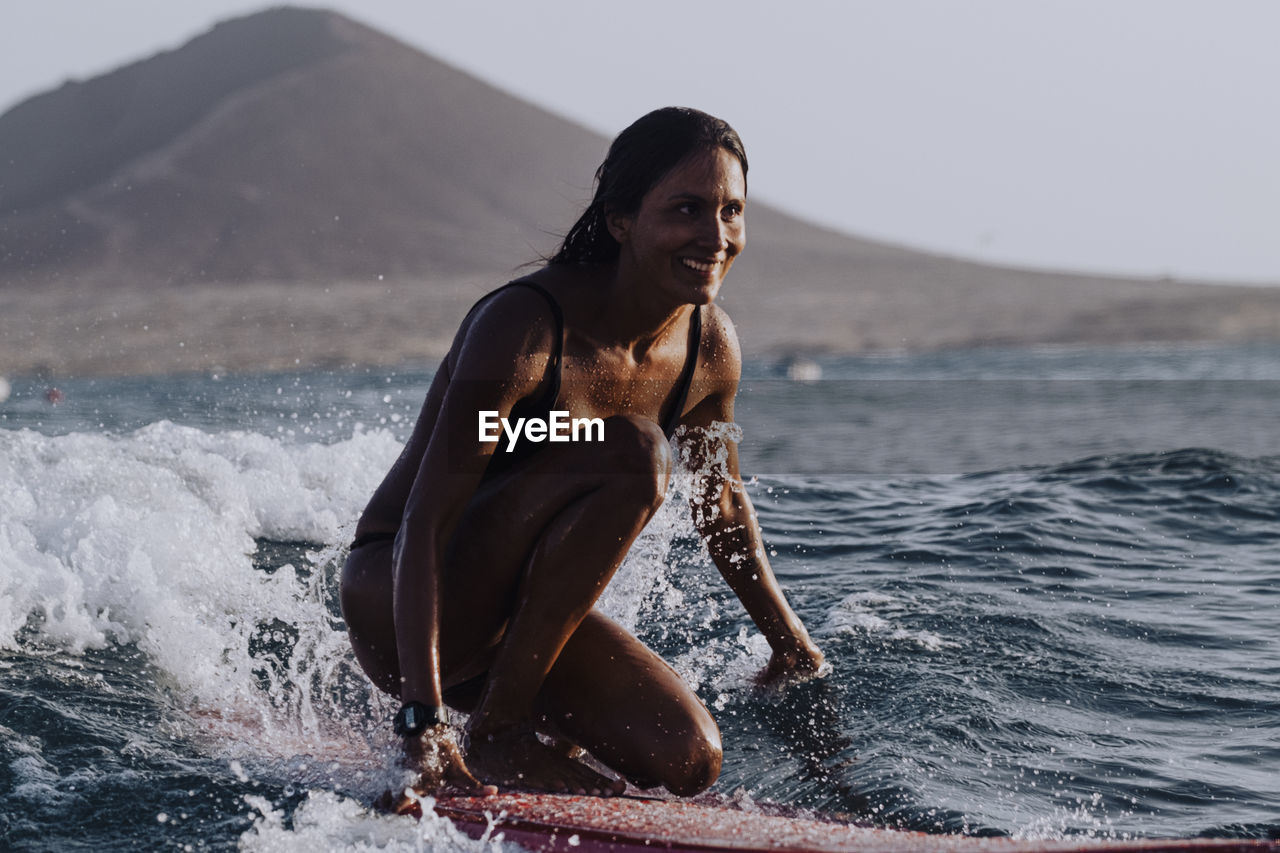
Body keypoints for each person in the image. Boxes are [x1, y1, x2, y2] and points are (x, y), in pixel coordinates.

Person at [340, 107, 825, 801]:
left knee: (689, 757)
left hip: (509, 625)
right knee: (632, 451)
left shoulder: (710, 346)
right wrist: (420, 720)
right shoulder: (524, 325)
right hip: (398, 594)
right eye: (687, 209)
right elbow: (425, 521)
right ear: (621, 220)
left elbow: (720, 503)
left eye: (731, 211)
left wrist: (789, 643)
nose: (714, 236)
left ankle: (509, 709)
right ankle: (498, 729)